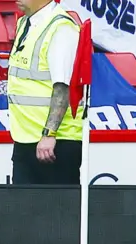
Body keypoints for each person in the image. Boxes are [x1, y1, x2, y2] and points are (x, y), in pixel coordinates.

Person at [7, 0, 82, 184]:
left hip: (55, 143)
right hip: (26, 138)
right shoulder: (25, 22)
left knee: (57, 210)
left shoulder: (61, 28)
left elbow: (62, 87)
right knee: (23, 209)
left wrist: (49, 134)